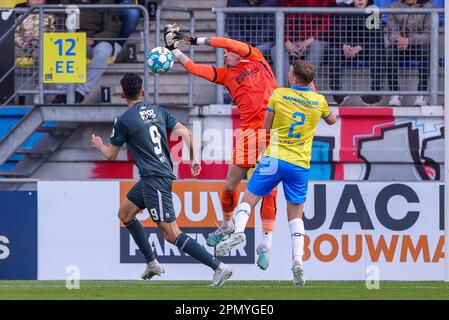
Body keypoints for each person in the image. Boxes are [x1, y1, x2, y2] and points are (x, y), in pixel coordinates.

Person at [91, 73, 232, 286]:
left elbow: (111, 154)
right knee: (125, 213)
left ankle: (219, 267)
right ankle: (152, 263)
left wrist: (99, 145)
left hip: (154, 178)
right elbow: (187, 134)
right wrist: (194, 158)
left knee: (171, 233)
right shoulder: (157, 111)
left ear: (122, 94)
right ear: (142, 92)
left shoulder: (123, 121)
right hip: (153, 177)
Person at [163, 23, 283, 271]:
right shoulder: (226, 75)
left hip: (272, 132)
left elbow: (226, 43)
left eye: (227, 53)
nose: (225, 55)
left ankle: (265, 243)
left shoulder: (256, 57)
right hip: (248, 134)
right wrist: (174, 49)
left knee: (268, 191)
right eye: (225, 54)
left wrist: (191, 40)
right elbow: (195, 68)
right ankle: (227, 223)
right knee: (229, 185)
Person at [215, 60, 337, 285]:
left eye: (290, 71)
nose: (288, 73)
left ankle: (239, 231)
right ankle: (298, 261)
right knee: (296, 216)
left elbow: (266, 128)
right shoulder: (318, 101)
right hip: (299, 164)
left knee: (249, 198)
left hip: (274, 158)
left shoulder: (279, 95)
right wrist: (314, 94)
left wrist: (262, 150)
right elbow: (332, 120)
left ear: (294, 78)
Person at [52, 0, 122, 104]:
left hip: (93, 44)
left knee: (105, 49)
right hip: (71, 42)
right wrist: (73, 38)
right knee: (57, 44)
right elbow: (58, 24)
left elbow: (112, 29)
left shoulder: (105, 2)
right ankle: (62, 92)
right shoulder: (67, 2)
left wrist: (93, 39)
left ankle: (80, 92)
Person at [329, 0, 384, 105]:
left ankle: (375, 93)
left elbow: (375, 36)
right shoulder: (345, 9)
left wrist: (359, 47)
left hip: (365, 47)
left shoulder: (373, 10)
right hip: (347, 48)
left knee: (376, 51)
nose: (360, 0)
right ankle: (337, 94)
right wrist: (344, 46)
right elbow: (339, 31)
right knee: (334, 52)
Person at [386, 0, 434, 107]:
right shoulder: (393, 7)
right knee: (389, 51)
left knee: (425, 50)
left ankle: (422, 94)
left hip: (418, 45)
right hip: (400, 45)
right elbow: (391, 32)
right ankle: (395, 93)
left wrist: (409, 40)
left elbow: (428, 34)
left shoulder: (429, 7)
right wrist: (399, 40)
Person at [277, 0, 336, 86]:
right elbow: (283, 19)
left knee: (316, 46)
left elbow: (327, 24)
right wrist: (287, 41)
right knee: (276, 49)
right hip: (293, 40)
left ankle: (306, 86)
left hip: (316, 39)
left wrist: (309, 40)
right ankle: (289, 88)